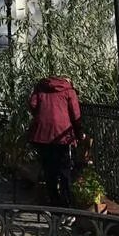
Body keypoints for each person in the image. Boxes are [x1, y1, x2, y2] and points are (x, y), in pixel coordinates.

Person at [28, 74, 82, 208]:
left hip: (42, 134)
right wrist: (80, 133)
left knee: (48, 169)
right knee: (64, 169)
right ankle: (66, 204)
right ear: (67, 80)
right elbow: (76, 115)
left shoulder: (41, 87)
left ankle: (54, 202)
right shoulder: (69, 90)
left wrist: (41, 115)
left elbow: (32, 104)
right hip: (62, 135)